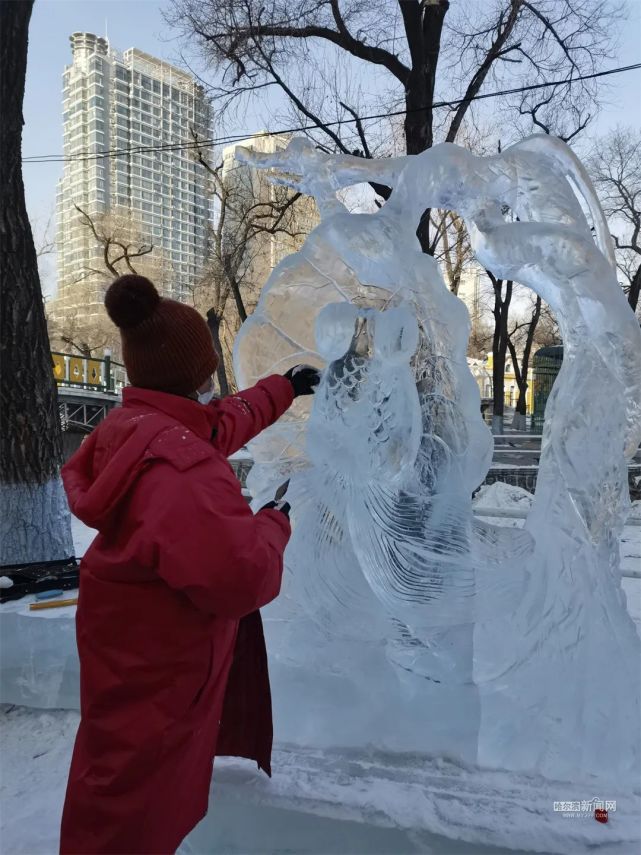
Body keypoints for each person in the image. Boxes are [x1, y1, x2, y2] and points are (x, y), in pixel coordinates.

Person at [59, 274, 319, 855]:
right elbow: (243, 577)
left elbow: (221, 424)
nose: (213, 387)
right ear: (191, 380)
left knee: (116, 769)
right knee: (128, 802)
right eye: (207, 377)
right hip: (163, 670)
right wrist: (274, 522)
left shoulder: (136, 430)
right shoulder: (181, 475)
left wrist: (283, 388)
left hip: (131, 649)